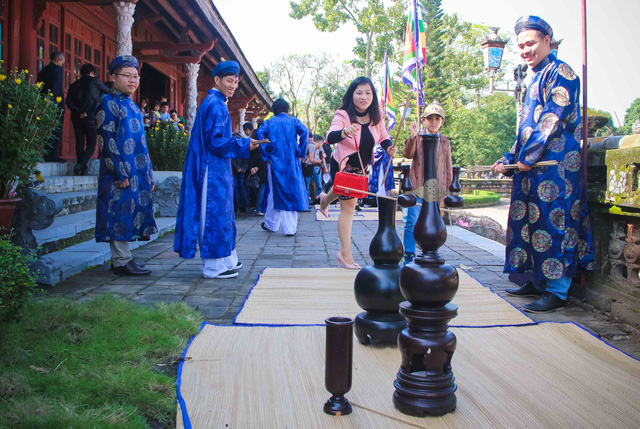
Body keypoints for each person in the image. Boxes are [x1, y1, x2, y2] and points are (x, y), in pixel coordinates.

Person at [491, 15, 594, 313]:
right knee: (528, 222)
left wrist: (528, 156)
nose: (525, 50)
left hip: (556, 166)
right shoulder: (534, 77)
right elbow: (525, 127)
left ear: (548, 41)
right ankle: (537, 280)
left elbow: (551, 118)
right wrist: (510, 157)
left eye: (531, 43)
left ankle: (558, 291)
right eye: (521, 45)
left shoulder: (561, 72)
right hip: (532, 166)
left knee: (554, 221)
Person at [174, 61, 259, 279]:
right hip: (210, 170)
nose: (233, 85)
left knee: (223, 214)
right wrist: (243, 144)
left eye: (235, 81)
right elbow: (215, 141)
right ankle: (213, 266)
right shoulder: (215, 104)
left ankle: (226, 258)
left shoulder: (216, 102)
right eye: (229, 81)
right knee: (212, 214)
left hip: (216, 168)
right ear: (217, 80)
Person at [319, 76, 397, 268]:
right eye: (359, 92)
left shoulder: (377, 115)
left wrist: (388, 148)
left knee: (340, 191)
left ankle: (324, 200)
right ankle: (345, 254)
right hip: (344, 164)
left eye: (368, 93)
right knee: (349, 207)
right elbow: (330, 136)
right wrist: (345, 132)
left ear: (373, 96)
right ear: (352, 94)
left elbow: (383, 137)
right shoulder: (343, 114)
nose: (364, 97)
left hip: (363, 167)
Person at [95, 55, 157, 276]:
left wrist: (148, 175)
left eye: (135, 76)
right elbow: (107, 141)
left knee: (131, 211)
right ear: (112, 77)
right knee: (118, 211)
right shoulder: (107, 103)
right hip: (120, 171)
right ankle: (121, 261)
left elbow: (142, 144)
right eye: (127, 76)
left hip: (136, 170)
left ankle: (124, 259)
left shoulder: (131, 105)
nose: (133, 80)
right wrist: (119, 171)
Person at [402, 102, 453, 264]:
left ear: (442, 121)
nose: (433, 122)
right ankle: (409, 255)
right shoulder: (418, 137)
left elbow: (448, 168)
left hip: (435, 189)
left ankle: (431, 253)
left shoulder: (445, 141)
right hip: (417, 187)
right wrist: (412, 136)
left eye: (437, 119)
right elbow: (408, 154)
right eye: (430, 118)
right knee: (412, 223)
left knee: (434, 224)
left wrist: (446, 194)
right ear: (424, 120)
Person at [254, 98, 309, 236]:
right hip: (291, 161)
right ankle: (287, 227)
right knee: (290, 191)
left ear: (274, 111)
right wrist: (300, 152)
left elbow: (259, 135)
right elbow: (305, 132)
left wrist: (266, 153)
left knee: (273, 192)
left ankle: (272, 224)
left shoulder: (269, 122)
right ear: (288, 110)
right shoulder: (294, 121)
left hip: (274, 162)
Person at [65, 63, 110, 176]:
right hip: (89, 116)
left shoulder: (74, 85)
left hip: (76, 117)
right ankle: (81, 164)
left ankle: (82, 168)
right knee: (91, 145)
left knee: (79, 142)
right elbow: (108, 91)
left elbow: (68, 102)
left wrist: (78, 111)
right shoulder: (94, 81)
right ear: (91, 73)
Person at [37, 51, 66, 162]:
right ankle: (52, 155)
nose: (62, 65)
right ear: (58, 60)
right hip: (55, 103)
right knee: (56, 129)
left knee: (47, 128)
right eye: (62, 62)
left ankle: (46, 153)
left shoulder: (43, 70)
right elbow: (56, 86)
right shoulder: (57, 69)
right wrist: (53, 103)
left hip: (44, 101)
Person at [304, 134, 325, 202]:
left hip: (314, 167)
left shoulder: (314, 147)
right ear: (320, 142)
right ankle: (307, 200)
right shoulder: (311, 146)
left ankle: (318, 198)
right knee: (307, 185)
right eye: (322, 144)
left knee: (318, 184)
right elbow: (311, 159)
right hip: (308, 167)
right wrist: (319, 161)